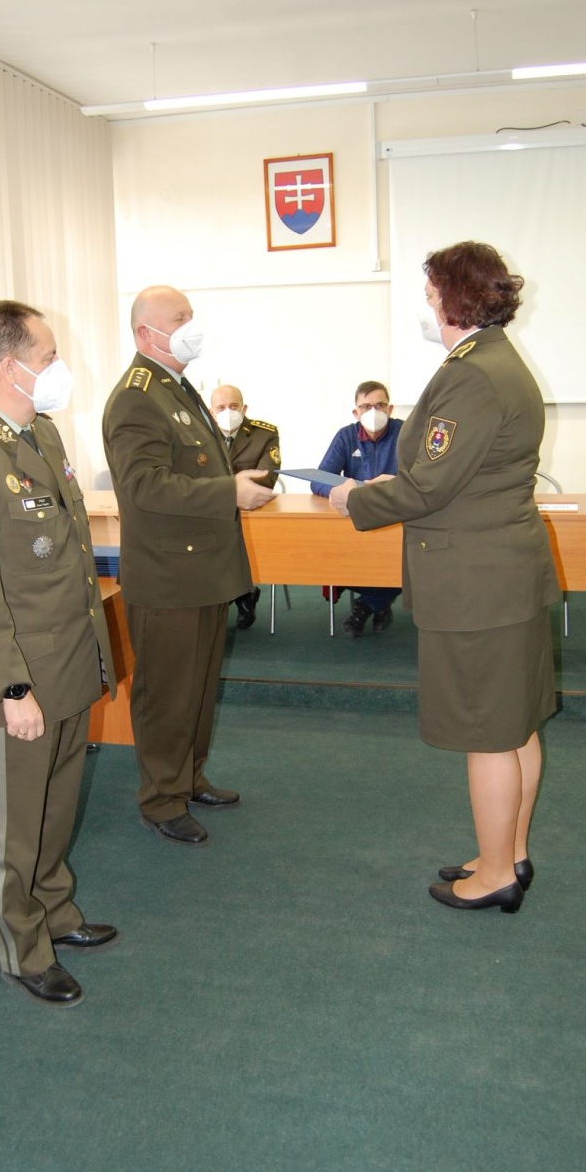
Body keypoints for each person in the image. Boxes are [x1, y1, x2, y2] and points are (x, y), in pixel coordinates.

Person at [330, 242, 559, 914]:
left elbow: (428, 485)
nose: (427, 308)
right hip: (502, 573)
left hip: (475, 584)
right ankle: (508, 852)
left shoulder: (472, 374)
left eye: (431, 296)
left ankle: (495, 874)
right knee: (516, 725)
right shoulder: (501, 360)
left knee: (487, 732)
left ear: (455, 299)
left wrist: (355, 499)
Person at [0, 300, 118, 1008]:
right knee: (13, 825)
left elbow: (65, 553)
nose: (58, 367)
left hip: (66, 660)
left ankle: (56, 911)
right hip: (20, 678)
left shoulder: (40, 431)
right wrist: (11, 688)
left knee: (55, 808)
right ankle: (23, 951)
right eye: (48, 357)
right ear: (10, 367)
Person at [102, 285, 276, 847]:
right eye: (179, 318)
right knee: (167, 694)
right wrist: (229, 491)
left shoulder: (174, 387)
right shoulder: (135, 397)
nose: (191, 326)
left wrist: (231, 485)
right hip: (167, 576)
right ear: (146, 332)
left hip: (201, 571)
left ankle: (189, 778)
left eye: (190, 316)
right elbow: (145, 485)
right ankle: (161, 798)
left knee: (197, 689)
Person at [310, 380, 403, 636]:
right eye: (366, 406)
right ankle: (380, 603)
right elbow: (319, 479)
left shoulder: (406, 433)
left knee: (406, 561)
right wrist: (341, 490)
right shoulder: (346, 436)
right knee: (339, 560)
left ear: (390, 408)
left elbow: (422, 477)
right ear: (356, 412)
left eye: (380, 405)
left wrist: (396, 484)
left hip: (395, 519)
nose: (373, 411)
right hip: (355, 520)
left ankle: (365, 606)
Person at [210, 383, 281, 628]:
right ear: (211, 412)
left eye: (233, 406)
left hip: (251, 512)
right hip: (213, 513)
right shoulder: (200, 435)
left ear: (244, 408)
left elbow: (266, 479)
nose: (228, 412)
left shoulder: (265, 433)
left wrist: (218, 491)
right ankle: (241, 594)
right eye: (221, 407)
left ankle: (241, 593)